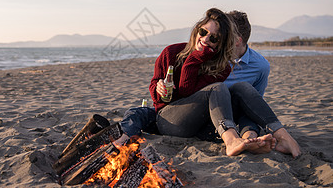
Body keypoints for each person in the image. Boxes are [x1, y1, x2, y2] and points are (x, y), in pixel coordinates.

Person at [118, 8, 301, 157]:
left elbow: (189, 90)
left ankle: (282, 135)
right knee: (218, 88)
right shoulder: (171, 52)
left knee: (242, 87)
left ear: (221, 44)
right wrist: (159, 89)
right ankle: (232, 140)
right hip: (168, 119)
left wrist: (197, 58)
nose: (205, 39)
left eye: (213, 38)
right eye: (203, 32)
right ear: (197, 29)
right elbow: (172, 91)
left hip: (201, 126)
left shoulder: (221, 67)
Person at [224, 10, 300, 157]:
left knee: (246, 94)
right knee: (235, 88)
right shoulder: (210, 57)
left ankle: (250, 138)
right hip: (214, 113)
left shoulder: (260, 65)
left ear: (237, 40)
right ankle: (279, 136)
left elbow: (255, 104)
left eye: (223, 33)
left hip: (236, 113)